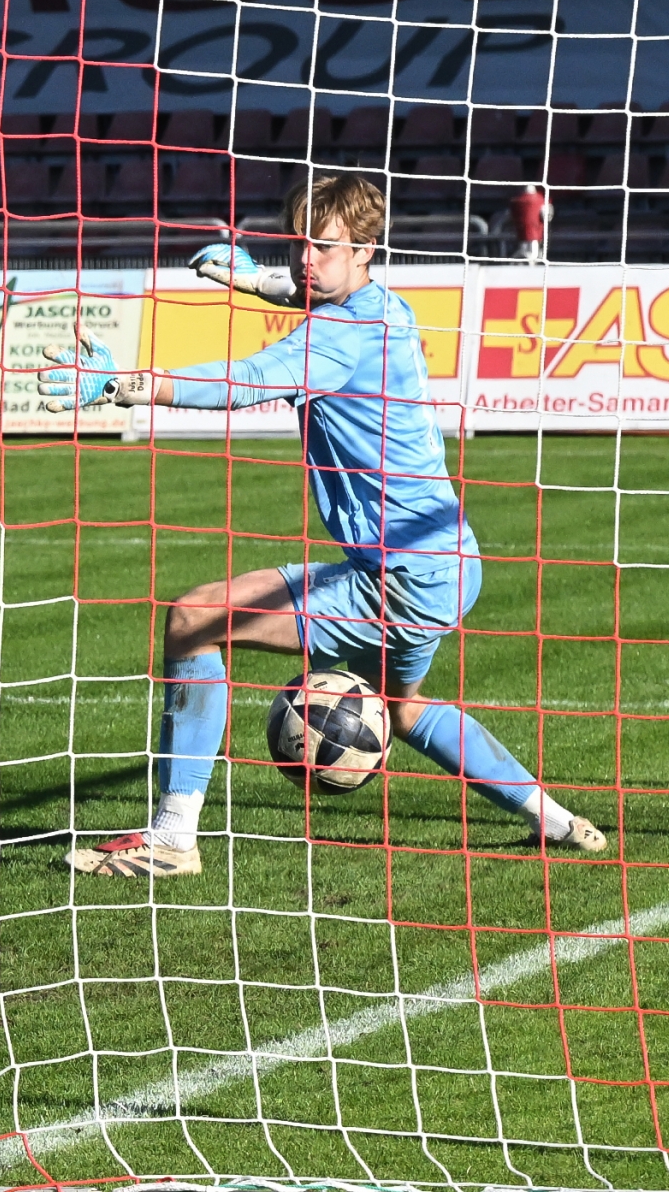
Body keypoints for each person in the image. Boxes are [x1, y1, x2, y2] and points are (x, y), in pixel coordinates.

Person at [37, 172, 606, 878]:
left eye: (324, 246)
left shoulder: (338, 337)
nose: (306, 259)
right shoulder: (385, 306)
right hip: (449, 564)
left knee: (193, 618)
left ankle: (173, 837)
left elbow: (246, 380)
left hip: (397, 581)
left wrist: (124, 385)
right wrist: (255, 281)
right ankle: (557, 820)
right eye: (299, 243)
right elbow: (306, 289)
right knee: (402, 709)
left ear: (366, 248)